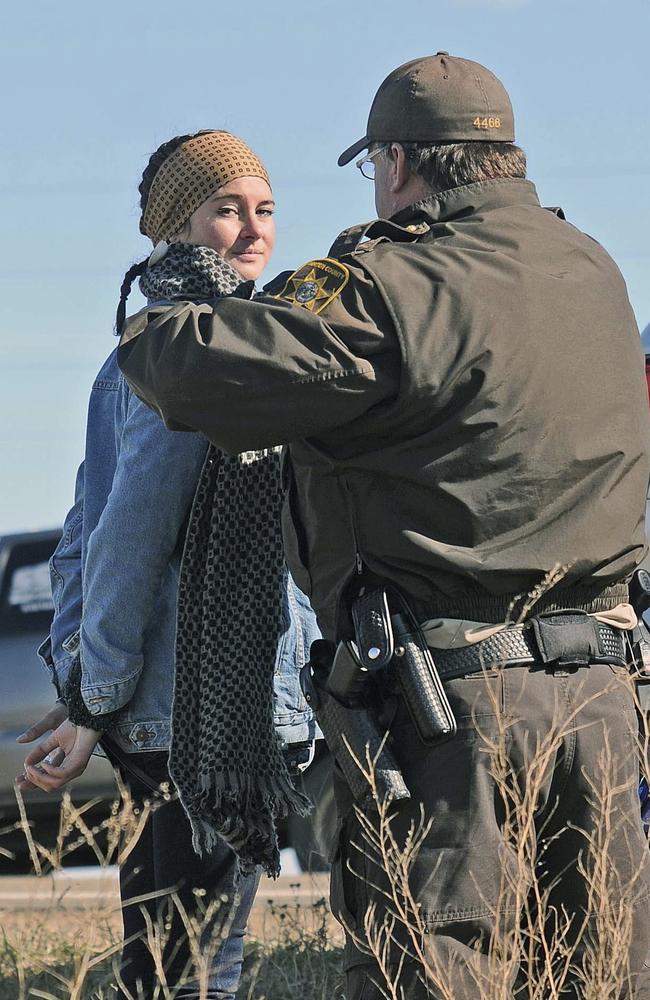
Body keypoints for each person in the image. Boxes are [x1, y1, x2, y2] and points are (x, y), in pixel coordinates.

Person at [116, 55, 650, 998]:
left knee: (433, 967)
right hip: (605, 699)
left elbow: (194, 371)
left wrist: (164, 303)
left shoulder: (396, 283)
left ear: (398, 162)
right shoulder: (593, 269)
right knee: (601, 967)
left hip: (457, 712)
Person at [16, 129, 318, 1000]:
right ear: (170, 227)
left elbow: (90, 536)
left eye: (265, 209)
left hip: (191, 710)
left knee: (169, 961)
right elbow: (117, 535)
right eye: (226, 209)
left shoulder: (163, 348)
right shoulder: (200, 354)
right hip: (209, 717)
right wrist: (91, 693)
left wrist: (87, 686)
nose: (253, 229)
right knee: (188, 967)